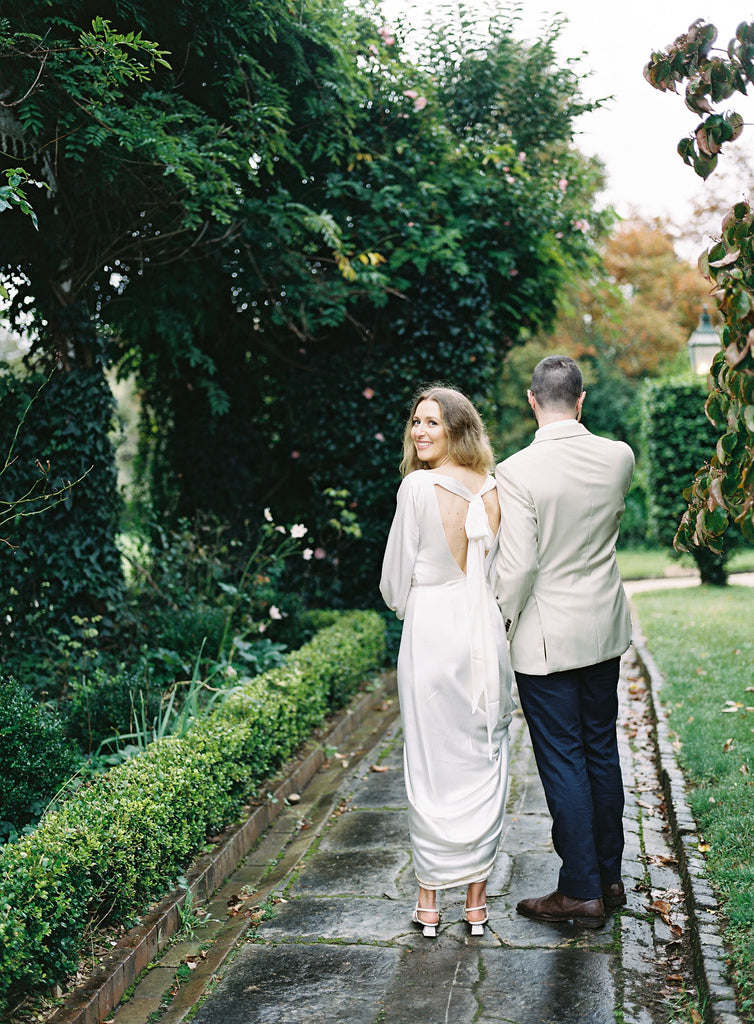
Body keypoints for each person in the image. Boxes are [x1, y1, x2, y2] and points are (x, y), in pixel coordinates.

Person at [494, 355, 634, 928]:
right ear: (581, 399)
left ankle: (579, 890)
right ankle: (608, 877)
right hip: (603, 629)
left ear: (532, 401)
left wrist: (498, 620)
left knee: (562, 759)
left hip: (546, 639)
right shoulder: (619, 456)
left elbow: (519, 567)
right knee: (600, 749)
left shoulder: (517, 471)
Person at [380, 385, 514, 938]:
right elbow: (505, 570)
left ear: (457, 429)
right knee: (482, 757)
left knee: (431, 764)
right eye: (416, 422)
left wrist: (412, 603)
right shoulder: (495, 488)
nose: (420, 432)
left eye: (432, 423)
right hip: (482, 627)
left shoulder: (415, 487)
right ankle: (476, 905)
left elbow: (394, 580)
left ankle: (430, 901)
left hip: (433, 630)